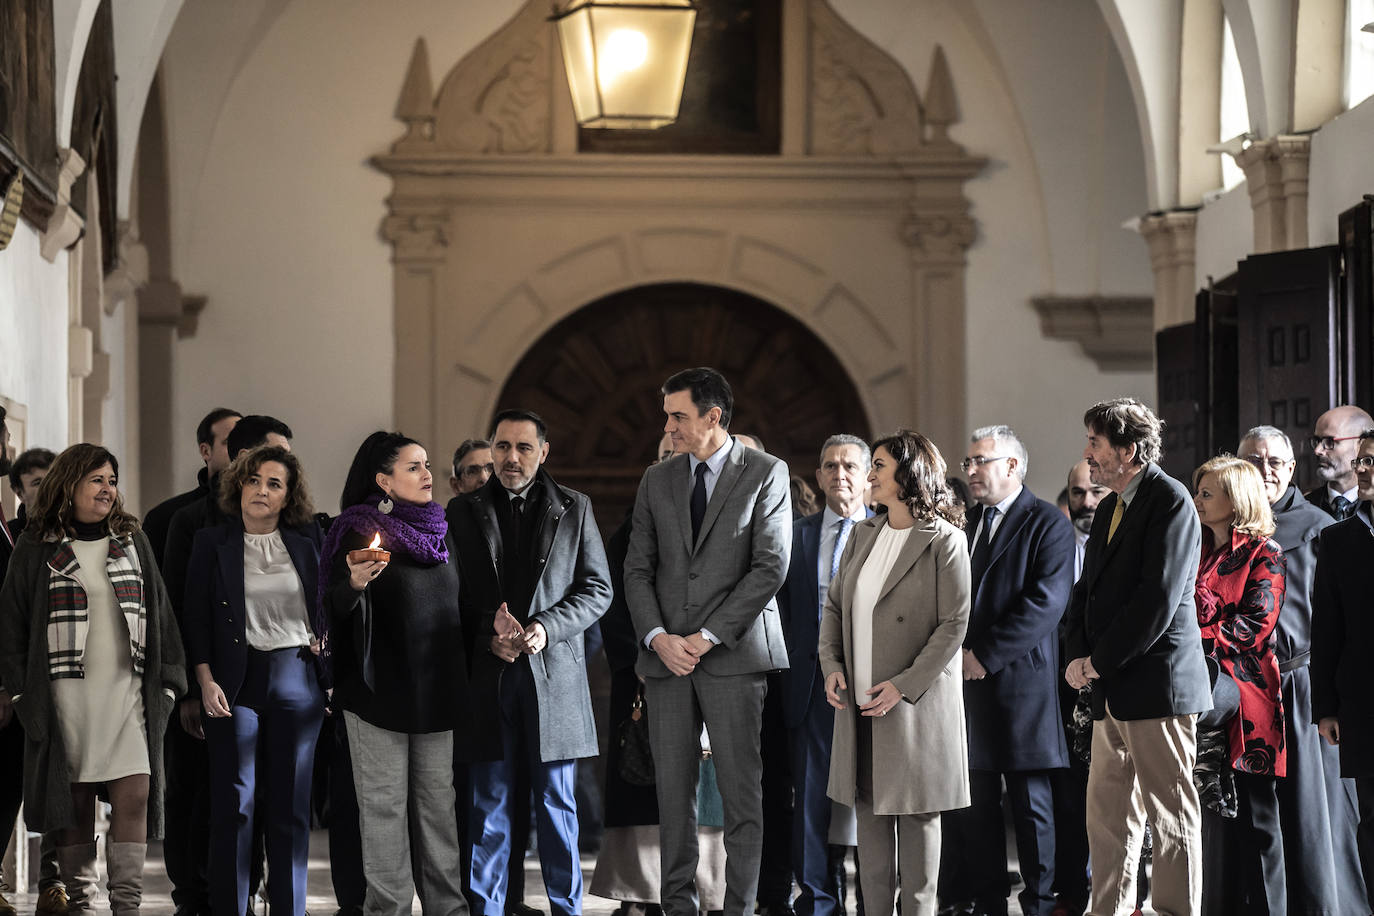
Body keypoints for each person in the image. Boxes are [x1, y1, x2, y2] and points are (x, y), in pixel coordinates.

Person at [624, 367, 792, 916]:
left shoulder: (768, 472)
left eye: (678, 416)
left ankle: (740, 908)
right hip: (665, 660)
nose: (668, 427)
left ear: (713, 417)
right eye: (667, 416)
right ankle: (679, 907)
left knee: (743, 796)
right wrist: (658, 637)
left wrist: (706, 636)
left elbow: (770, 567)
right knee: (674, 798)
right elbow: (636, 569)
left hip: (735, 658)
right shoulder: (658, 479)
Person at [0, 444, 187, 916]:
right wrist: (22, 693)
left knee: (136, 792)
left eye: (111, 480)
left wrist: (166, 686)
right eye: (96, 480)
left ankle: (127, 904)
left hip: (128, 693)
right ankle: (80, 901)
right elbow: (12, 623)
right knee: (75, 803)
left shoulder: (133, 540)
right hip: (65, 698)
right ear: (70, 484)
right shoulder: (36, 545)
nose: (108, 490)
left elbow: (161, 614)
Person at [451, 409, 612, 916]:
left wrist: (548, 626)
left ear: (544, 452)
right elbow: (449, 597)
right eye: (502, 447)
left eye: (523, 447)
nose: (510, 458)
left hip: (555, 677)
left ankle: (567, 909)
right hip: (490, 679)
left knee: (557, 807)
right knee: (489, 806)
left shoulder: (575, 508)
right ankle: (487, 910)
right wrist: (486, 635)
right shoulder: (462, 512)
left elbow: (598, 589)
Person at [1063, 398, 1211, 916]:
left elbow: (1158, 598)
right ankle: (1107, 910)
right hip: (1111, 686)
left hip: (1158, 685)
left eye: (1096, 444)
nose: (1087, 455)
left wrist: (1098, 661)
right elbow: (1087, 593)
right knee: (1107, 816)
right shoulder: (1109, 505)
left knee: (1170, 816)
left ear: (1128, 450)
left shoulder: (1170, 502)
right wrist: (1078, 655)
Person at [819, 429, 971, 916]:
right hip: (860, 701)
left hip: (914, 707)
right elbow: (834, 608)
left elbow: (954, 625)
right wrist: (832, 666)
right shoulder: (864, 533)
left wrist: (903, 687)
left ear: (909, 473)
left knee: (920, 842)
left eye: (878, 466)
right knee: (871, 837)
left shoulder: (945, 540)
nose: (869, 476)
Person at [322, 431, 470, 916]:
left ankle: (447, 909)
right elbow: (331, 610)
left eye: (426, 465)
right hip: (376, 694)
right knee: (384, 812)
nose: (427, 475)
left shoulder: (441, 531)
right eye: (413, 467)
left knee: (437, 812)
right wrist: (352, 584)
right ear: (383, 480)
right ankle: (387, 910)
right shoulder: (354, 529)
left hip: (436, 692)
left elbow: (458, 606)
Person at [183, 446, 327, 916]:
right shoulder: (211, 543)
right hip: (233, 683)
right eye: (253, 481)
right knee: (234, 805)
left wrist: (326, 661)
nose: (261, 491)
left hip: (296, 680)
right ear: (239, 486)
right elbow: (196, 618)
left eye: (274, 484)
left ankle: (291, 909)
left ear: (289, 497)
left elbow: (325, 612)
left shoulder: (307, 546)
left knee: (290, 809)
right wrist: (203, 680)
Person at [590, 434, 729, 916]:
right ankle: (639, 890)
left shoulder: (718, 518)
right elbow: (612, 602)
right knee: (643, 781)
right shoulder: (634, 527)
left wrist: (703, 651)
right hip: (646, 676)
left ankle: (707, 890)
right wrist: (646, 660)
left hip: (708, 669)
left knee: (709, 787)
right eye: (666, 456)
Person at [161, 414, 291, 916]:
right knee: (198, 796)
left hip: (264, 686)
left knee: (253, 800)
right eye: (275, 456)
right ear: (244, 462)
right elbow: (177, 610)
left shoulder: (287, 521)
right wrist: (192, 689)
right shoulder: (188, 521)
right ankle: (194, 900)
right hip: (205, 687)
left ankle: (244, 891)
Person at [940, 426, 1074, 916]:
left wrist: (983, 656)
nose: (971, 471)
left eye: (981, 461)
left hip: (1023, 686)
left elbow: (1045, 604)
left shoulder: (1047, 523)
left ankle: (1040, 903)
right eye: (968, 461)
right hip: (966, 688)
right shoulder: (964, 523)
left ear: (1012, 466)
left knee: (1031, 806)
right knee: (975, 808)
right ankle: (989, 901)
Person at [1237, 426, 1367, 913]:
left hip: (1300, 687)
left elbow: (1335, 619)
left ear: (1291, 470)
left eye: (1275, 462)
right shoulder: (1226, 526)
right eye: (1254, 460)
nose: (1265, 470)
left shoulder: (1316, 526)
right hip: (1243, 692)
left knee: (1312, 815)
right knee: (1256, 816)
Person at [777, 434, 871, 916]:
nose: (840, 474)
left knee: (875, 801)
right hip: (812, 687)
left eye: (851, 466)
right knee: (811, 798)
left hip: (873, 687)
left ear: (868, 476)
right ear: (817, 476)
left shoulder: (887, 532)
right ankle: (815, 898)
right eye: (831, 466)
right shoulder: (796, 534)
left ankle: (876, 898)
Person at [1191, 456, 1287, 913]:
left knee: (1256, 820)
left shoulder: (1264, 552)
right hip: (1199, 689)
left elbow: (1254, 627)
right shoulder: (1196, 549)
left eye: (1207, 493)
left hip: (1248, 697)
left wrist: (1191, 639)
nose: (1197, 501)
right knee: (1213, 824)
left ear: (1235, 499)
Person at [1312, 428, 1374, 913]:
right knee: (1371, 821)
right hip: (1363, 703)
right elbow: (1327, 630)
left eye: (1373, 462)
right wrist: (1326, 707)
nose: (1364, 470)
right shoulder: (1338, 540)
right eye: (1365, 461)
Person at [0, 445, 64, 916]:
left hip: (62, 682)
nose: (43, 489)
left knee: (57, 785)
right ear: (18, 488)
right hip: (17, 681)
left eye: (51, 480)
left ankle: (54, 880)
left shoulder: (73, 534)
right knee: (7, 784)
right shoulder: (12, 538)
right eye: (34, 482)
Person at [1049, 460, 1107, 916]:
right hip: (1063, 688)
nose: (1086, 502)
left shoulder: (1122, 543)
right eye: (1077, 493)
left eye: (1094, 492)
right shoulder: (1055, 547)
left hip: (1113, 681)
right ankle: (1072, 890)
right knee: (1069, 795)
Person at [143, 408, 241, 567]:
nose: (241, 451)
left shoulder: (261, 511)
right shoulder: (164, 517)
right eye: (230, 442)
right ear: (206, 451)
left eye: (245, 442)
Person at [1305, 406, 1374, 520]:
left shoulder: (1371, 508)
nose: (1317, 450)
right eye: (1317, 441)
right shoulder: (1305, 506)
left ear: (1361, 444)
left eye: (1329, 441)